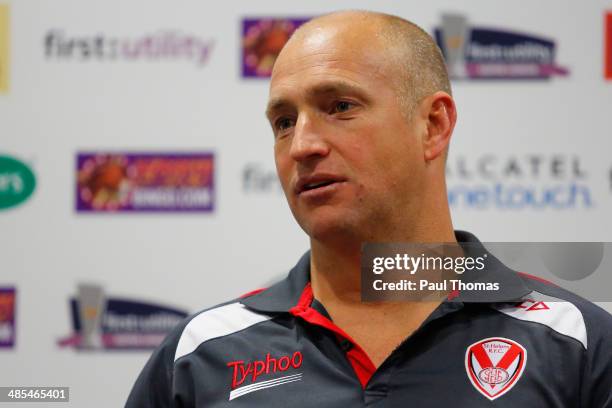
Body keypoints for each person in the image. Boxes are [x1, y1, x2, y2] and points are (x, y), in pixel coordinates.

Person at [126, 10, 612, 407]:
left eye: (339, 107)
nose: (302, 145)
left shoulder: (576, 343)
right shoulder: (200, 355)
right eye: (283, 121)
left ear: (433, 125)